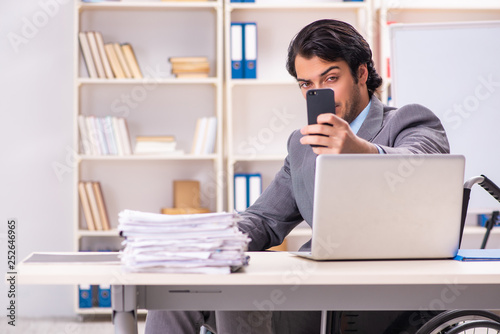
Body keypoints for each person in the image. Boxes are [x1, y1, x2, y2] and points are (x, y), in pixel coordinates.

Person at [145, 19, 449, 334]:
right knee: (176, 291)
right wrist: (202, 241)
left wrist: (358, 150)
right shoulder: (304, 144)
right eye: (307, 84)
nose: (318, 93)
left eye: (330, 78)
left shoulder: (408, 121)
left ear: (360, 73)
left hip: (385, 294)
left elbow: (424, 166)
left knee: (234, 297)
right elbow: (264, 219)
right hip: (313, 285)